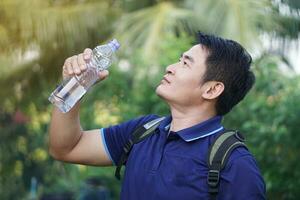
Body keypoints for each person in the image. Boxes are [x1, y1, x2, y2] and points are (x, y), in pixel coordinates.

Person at [49, 32, 266, 200]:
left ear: (211, 90)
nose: (170, 67)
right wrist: (74, 84)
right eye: (178, 60)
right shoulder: (143, 132)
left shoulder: (235, 166)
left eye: (185, 63)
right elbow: (66, 148)